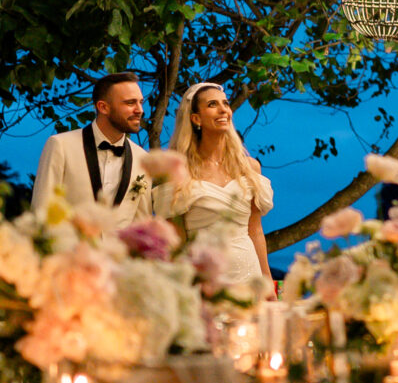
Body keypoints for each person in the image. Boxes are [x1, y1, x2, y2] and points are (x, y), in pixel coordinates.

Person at [162, 81, 272, 280]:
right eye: (212, 104)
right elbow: (176, 239)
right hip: (204, 279)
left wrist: (266, 281)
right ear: (196, 118)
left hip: (250, 278)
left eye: (225, 103)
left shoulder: (249, 168)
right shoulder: (178, 172)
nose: (223, 110)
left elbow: (255, 230)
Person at [33, 72, 151, 214]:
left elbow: (142, 223)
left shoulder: (143, 160)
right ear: (103, 107)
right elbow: (42, 211)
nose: (140, 110)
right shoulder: (61, 146)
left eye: (140, 102)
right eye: (130, 103)